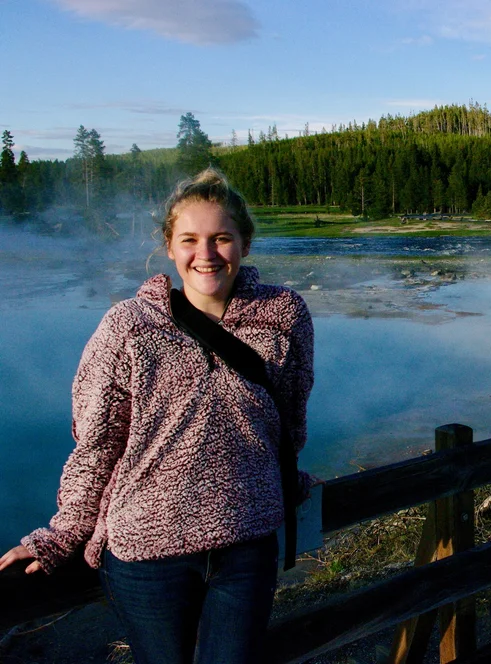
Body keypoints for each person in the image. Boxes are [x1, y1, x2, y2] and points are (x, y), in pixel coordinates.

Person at [0, 167, 314, 663]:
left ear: (245, 244)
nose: (206, 254)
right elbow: (98, 443)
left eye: (222, 238)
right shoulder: (127, 326)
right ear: (169, 247)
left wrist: (284, 478)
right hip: (148, 553)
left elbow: (290, 418)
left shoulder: (285, 314)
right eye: (190, 239)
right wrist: (61, 535)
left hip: (248, 542)